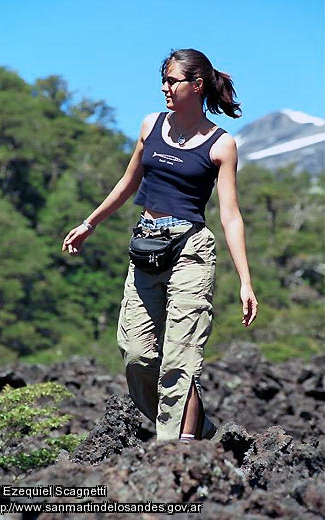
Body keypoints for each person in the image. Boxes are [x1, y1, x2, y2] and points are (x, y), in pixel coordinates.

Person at [62, 48, 258, 443]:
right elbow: (127, 183)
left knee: (179, 358)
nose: (165, 87)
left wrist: (245, 281)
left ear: (196, 86)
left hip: (191, 251)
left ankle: (176, 454)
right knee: (136, 353)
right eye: (164, 80)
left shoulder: (221, 145)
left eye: (173, 81)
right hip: (146, 245)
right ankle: (198, 427)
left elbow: (230, 215)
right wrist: (90, 223)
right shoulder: (151, 125)